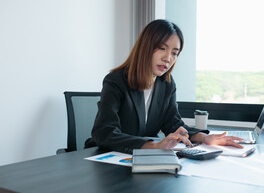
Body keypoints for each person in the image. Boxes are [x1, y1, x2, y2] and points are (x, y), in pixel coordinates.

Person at [85, 19, 243, 154]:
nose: (168, 58)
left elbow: (173, 124)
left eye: (175, 53)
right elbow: (104, 133)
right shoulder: (116, 81)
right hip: (106, 158)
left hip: (140, 160)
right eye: (162, 48)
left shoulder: (166, 84)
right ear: (146, 47)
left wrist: (205, 138)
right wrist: (154, 146)